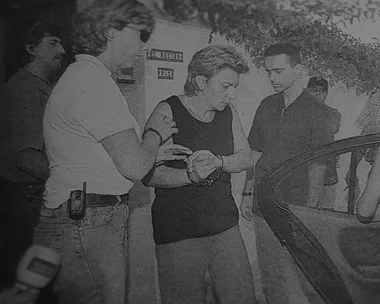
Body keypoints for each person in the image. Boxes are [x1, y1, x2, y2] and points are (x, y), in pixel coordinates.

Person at [33, 1, 184, 303]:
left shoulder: (84, 76)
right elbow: (134, 167)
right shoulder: (92, 81)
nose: (142, 47)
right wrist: (155, 132)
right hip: (90, 219)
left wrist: (153, 152)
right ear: (111, 29)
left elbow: (104, 155)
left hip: (86, 215)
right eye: (141, 34)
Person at [144, 45, 256, 304]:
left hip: (224, 228)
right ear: (200, 81)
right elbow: (148, 174)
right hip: (179, 234)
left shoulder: (227, 113)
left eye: (235, 87)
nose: (232, 94)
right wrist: (191, 176)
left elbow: (247, 157)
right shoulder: (167, 111)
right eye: (225, 86)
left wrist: (219, 162)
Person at [240, 43, 335, 304]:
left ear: (299, 69)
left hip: (297, 209)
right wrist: (248, 192)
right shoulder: (266, 105)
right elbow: (255, 154)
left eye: (279, 71)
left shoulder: (319, 112)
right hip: (264, 205)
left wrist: (310, 212)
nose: (272, 78)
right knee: (270, 273)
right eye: (268, 71)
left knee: (308, 276)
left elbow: (318, 166)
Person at [0, 20, 65, 290]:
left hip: (38, 198)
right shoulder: (25, 89)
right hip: (29, 202)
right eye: (53, 43)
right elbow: (27, 158)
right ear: (31, 49)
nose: (62, 50)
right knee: (37, 286)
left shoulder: (44, 87)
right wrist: (70, 184)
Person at [306, 76, 342, 209]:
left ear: (326, 93)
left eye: (321, 90)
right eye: (313, 89)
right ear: (306, 91)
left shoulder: (333, 113)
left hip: (328, 169)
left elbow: (333, 127)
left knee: (327, 212)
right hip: (305, 169)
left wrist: (318, 107)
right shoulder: (299, 112)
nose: (317, 93)